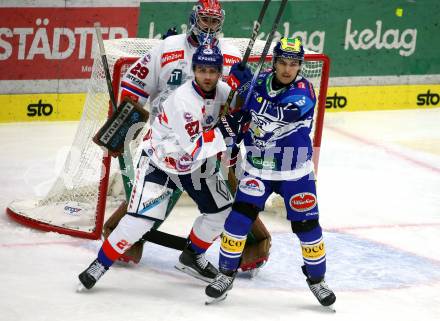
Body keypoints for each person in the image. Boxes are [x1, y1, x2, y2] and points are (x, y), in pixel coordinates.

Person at [78, 44, 251, 291]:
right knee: (139, 222)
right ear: (194, 70)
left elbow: (237, 112)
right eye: (202, 70)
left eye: (213, 70)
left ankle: (192, 256)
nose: (208, 76)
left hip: (195, 167)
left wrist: (244, 91)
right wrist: (227, 127)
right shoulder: (183, 101)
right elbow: (196, 146)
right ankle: (100, 263)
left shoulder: (223, 91)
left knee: (222, 215)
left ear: (220, 72)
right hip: (161, 163)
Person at [204, 37, 337, 308]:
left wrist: (245, 88)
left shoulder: (305, 91)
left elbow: (279, 114)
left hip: (295, 171)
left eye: (294, 64)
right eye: (283, 63)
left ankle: (317, 280)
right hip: (258, 168)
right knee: (239, 220)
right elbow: (242, 116)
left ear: (300, 66)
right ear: (275, 62)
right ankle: (225, 274)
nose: (288, 69)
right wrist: (240, 101)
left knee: (307, 227)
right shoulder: (259, 83)